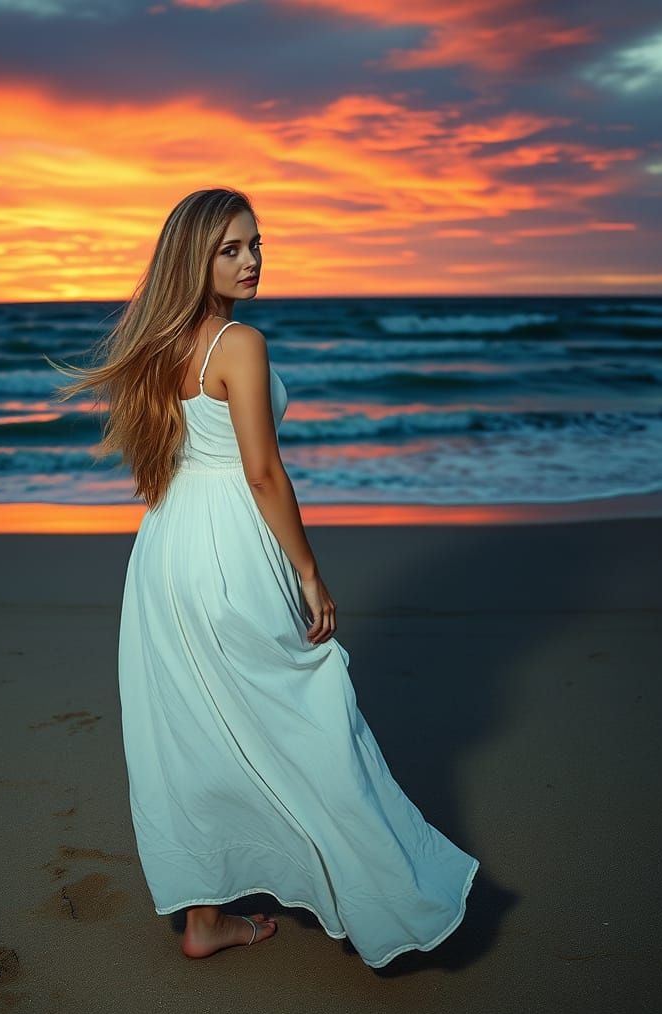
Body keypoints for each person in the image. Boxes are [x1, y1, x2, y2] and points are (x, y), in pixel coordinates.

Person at [47, 187, 479, 968]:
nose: (251, 261)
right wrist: (310, 574)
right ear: (196, 258)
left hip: (162, 553)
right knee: (314, 718)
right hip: (227, 555)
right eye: (230, 249)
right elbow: (262, 472)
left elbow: (180, 461)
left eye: (255, 244)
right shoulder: (237, 344)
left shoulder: (161, 344)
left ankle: (204, 918)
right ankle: (383, 898)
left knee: (195, 734)